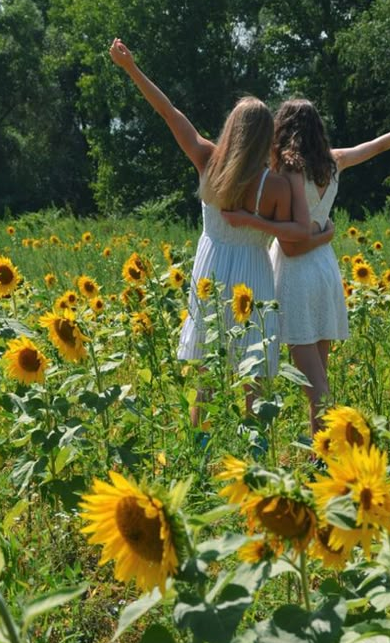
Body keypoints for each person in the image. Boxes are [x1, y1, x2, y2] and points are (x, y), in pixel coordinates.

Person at [108, 39, 334, 424]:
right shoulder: (276, 185)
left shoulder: (208, 160)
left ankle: (199, 449)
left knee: (206, 373)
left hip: (210, 271)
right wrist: (325, 233)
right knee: (256, 373)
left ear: (232, 128)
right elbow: (296, 232)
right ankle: (256, 451)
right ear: (268, 136)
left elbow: (168, 112)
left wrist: (131, 68)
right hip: (254, 274)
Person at [225, 100, 390, 435]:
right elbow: (375, 146)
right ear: (317, 129)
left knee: (313, 382)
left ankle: (337, 440)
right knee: (320, 371)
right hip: (326, 269)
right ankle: (321, 448)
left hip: (296, 273)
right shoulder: (333, 162)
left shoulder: (287, 171)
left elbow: (290, 246)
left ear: (282, 129)